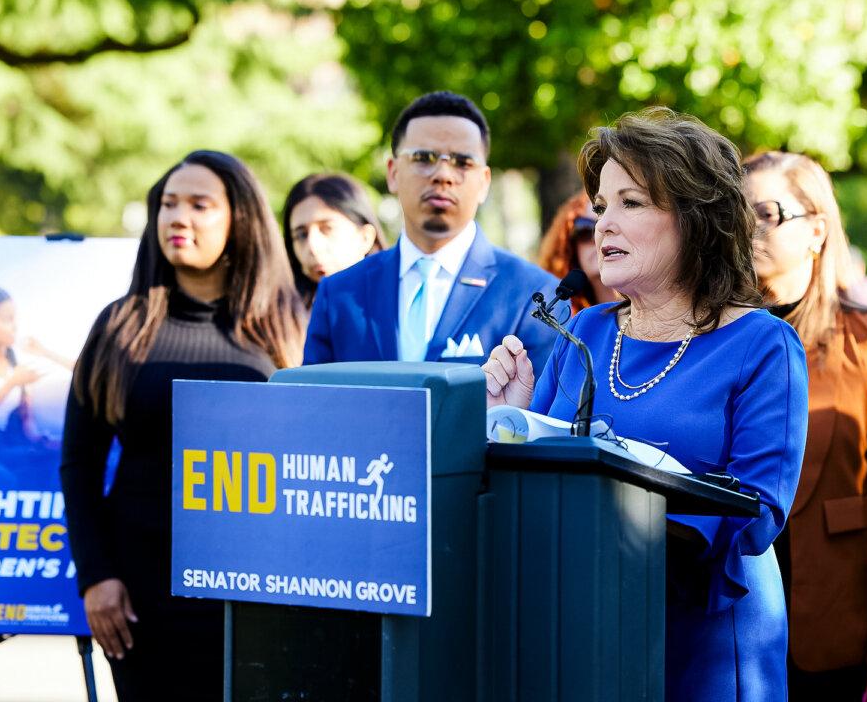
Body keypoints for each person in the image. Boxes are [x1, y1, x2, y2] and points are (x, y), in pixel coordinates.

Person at [483, 108, 810, 701]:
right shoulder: (587, 331)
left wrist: (634, 520)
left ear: (695, 218)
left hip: (703, 640)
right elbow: (548, 480)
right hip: (585, 624)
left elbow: (759, 509)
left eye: (630, 203)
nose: (601, 222)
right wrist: (512, 420)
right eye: (601, 205)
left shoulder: (763, 345)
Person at [60, 150, 305, 700]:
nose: (178, 218)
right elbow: (79, 463)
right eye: (168, 204)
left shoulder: (287, 327)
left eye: (200, 205)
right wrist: (96, 577)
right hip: (140, 596)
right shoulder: (120, 325)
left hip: (257, 593)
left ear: (239, 219)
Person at [744, 150, 867, 702]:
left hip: (837, 634)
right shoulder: (706, 340)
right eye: (735, 214)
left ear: (816, 231)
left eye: (767, 214)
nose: (747, 230)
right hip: (728, 627)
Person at [303, 91, 558, 368]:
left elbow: (542, 408)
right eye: (424, 158)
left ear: (484, 181)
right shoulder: (339, 294)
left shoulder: (533, 294)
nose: (443, 175)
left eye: (462, 162)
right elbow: (314, 405)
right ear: (393, 172)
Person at [281, 172, 388, 308]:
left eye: (327, 228)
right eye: (301, 235)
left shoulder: (403, 304)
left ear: (365, 237)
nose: (313, 246)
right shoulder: (278, 316)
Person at [536, 190, 618, 313]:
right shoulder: (562, 320)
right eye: (584, 230)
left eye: (609, 228)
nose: (598, 238)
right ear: (570, 246)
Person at [0, 287, 43, 444]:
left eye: (15, 318)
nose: (15, 326)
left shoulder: (17, 365)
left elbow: (27, 427)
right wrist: (11, 384)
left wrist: (44, 443)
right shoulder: (15, 377)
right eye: (7, 319)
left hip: (10, 446)